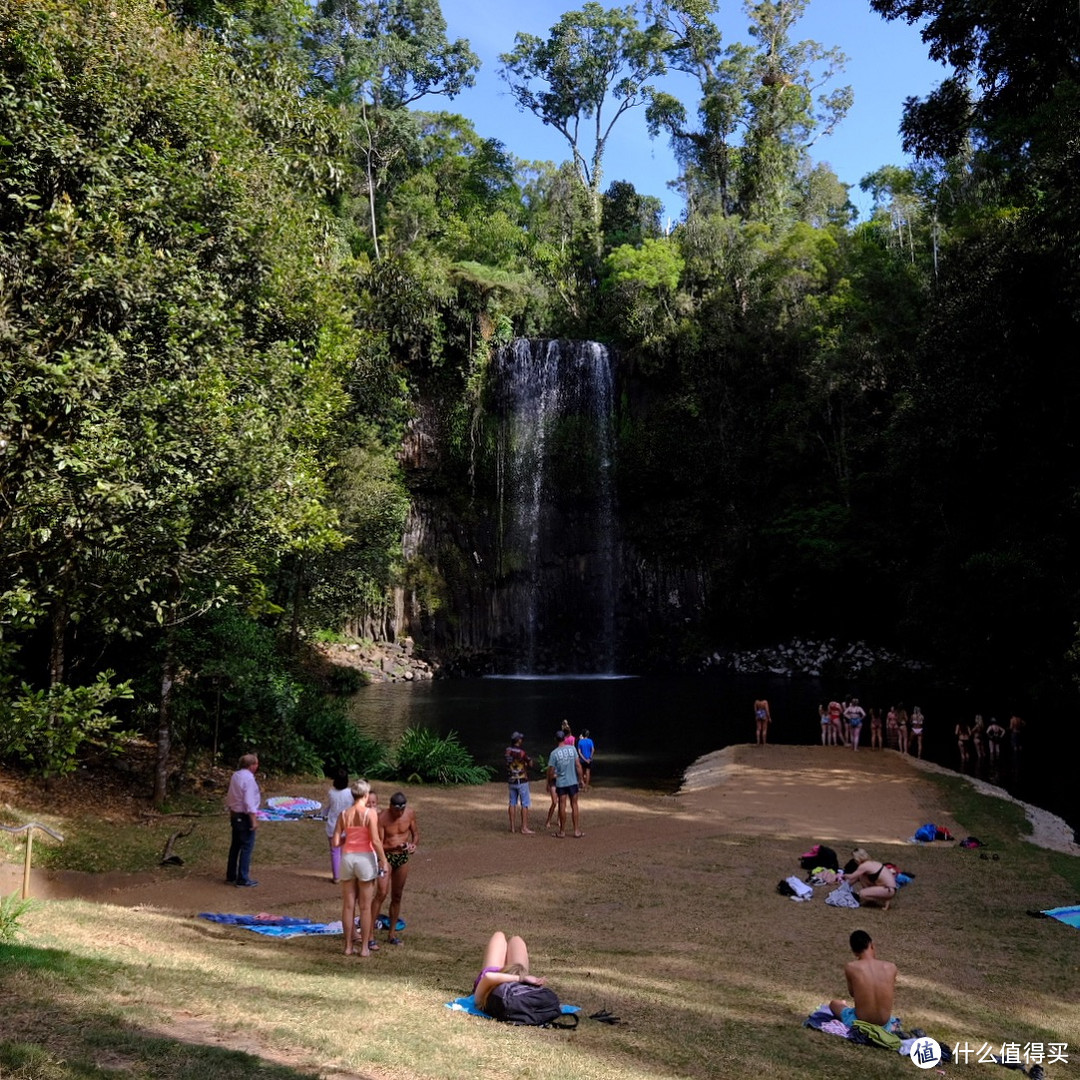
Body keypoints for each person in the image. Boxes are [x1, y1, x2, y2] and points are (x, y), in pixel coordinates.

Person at [332, 780, 387, 957]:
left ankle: (348, 946)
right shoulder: (370, 813)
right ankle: (364, 947)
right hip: (365, 858)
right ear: (365, 795)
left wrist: (347, 840)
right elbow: (376, 840)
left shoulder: (343, 814)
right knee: (365, 906)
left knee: (348, 906)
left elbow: (335, 841)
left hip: (347, 858)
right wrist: (383, 860)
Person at [829, 929, 898, 1029]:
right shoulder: (891, 967)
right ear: (872, 945)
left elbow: (853, 993)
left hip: (860, 1023)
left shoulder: (851, 967)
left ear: (854, 952)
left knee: (834, 1004)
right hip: (885, 1025)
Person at [376, 792, 419, 946]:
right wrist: (394, 846)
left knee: (397, 895)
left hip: (402, 858)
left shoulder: (410, 814)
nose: (399, 814)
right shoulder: (382, 818)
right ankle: (370, 935)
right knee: (381, 893)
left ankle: (392, 934)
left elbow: (415, 835)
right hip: (387, 857)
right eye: (396, 811)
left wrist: (413, 845)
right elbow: (378, 844)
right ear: (390, 807)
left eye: (401, 811)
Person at [472, 931, 547, 1015]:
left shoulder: (483, 997)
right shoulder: (522, 998)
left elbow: (489, 977)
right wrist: (525, 979)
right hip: (516, 976)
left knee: (499, 935)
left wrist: (522, 978)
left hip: (493, 980)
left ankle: (514, 975)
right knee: (516, 940)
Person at [225, 753, 260, 887]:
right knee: (246, 847)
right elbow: (249, 801)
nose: (257, 766)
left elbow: (231, 795)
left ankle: (231, 875)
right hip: (244, 816)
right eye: (256, 763)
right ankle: (243, 878)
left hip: (235, 814)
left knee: (235, 846)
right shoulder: (249, 780)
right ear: (252, 765)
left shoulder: (236, 775)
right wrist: (253, 819)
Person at [547, 729, 584, 838]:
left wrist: (550, 781)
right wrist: (581, 779)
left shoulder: (554, 753)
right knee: (574, 805)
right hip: (572, 781)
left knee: (562, 805)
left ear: (555, 739)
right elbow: (578, 765)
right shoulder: (572, 749)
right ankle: (576, 830)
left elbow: (551, 771)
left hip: (561, 783)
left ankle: (562, 831)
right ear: (565, 738)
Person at [325, 767, 355, 884]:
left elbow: (331, 807)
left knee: (334, 851)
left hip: (333, 826)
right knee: (345, 850)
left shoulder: (331, 793)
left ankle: (336, 876)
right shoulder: (350, 793)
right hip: (347, 827)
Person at [505, 732, 535, 834]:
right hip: (522, 780)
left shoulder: (507, 751)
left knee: (512, 803)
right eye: (520, 739)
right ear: (518, 741)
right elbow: (530, 763)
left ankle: (512, 827)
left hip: (511, 779)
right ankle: (524, 827)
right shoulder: (522, 753)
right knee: (525, 803)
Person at [543, 730, 563, 830]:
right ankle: (549, 820)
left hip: (561, 781)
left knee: (561, 802)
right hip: (553, 781)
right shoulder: (554, 754)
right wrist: (548, 782)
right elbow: (549, 769)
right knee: (555, 802)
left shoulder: (563, 753)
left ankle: (559, 820)